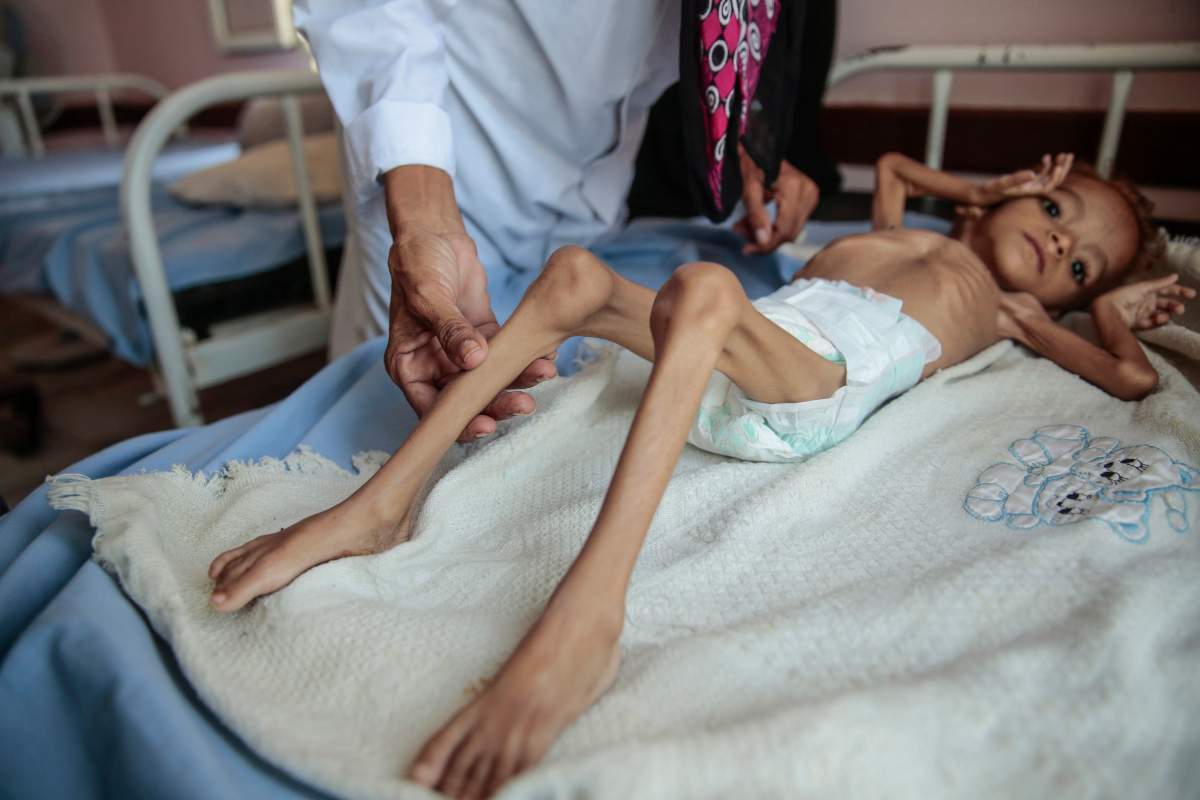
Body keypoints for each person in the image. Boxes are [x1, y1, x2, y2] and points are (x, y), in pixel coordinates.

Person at [207, 152, 1190, 797]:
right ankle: (379, 506)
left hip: (805, 386)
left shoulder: (1013, 311)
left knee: (705, 287)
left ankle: (586, 620)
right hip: (717, 350)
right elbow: (890, 168)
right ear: (1008, 191)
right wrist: (977, 189)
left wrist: (1114, 308)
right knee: (573, 276)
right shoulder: (910, 230)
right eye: (1057, 208)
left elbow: (1132, 376)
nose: (1059, 240)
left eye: (1079, 264)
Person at [293, 0, 825, 442]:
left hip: (595, 196)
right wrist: (426, 217)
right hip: (446, 159)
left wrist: (737, 136)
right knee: (391, 423)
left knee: (539, 422)